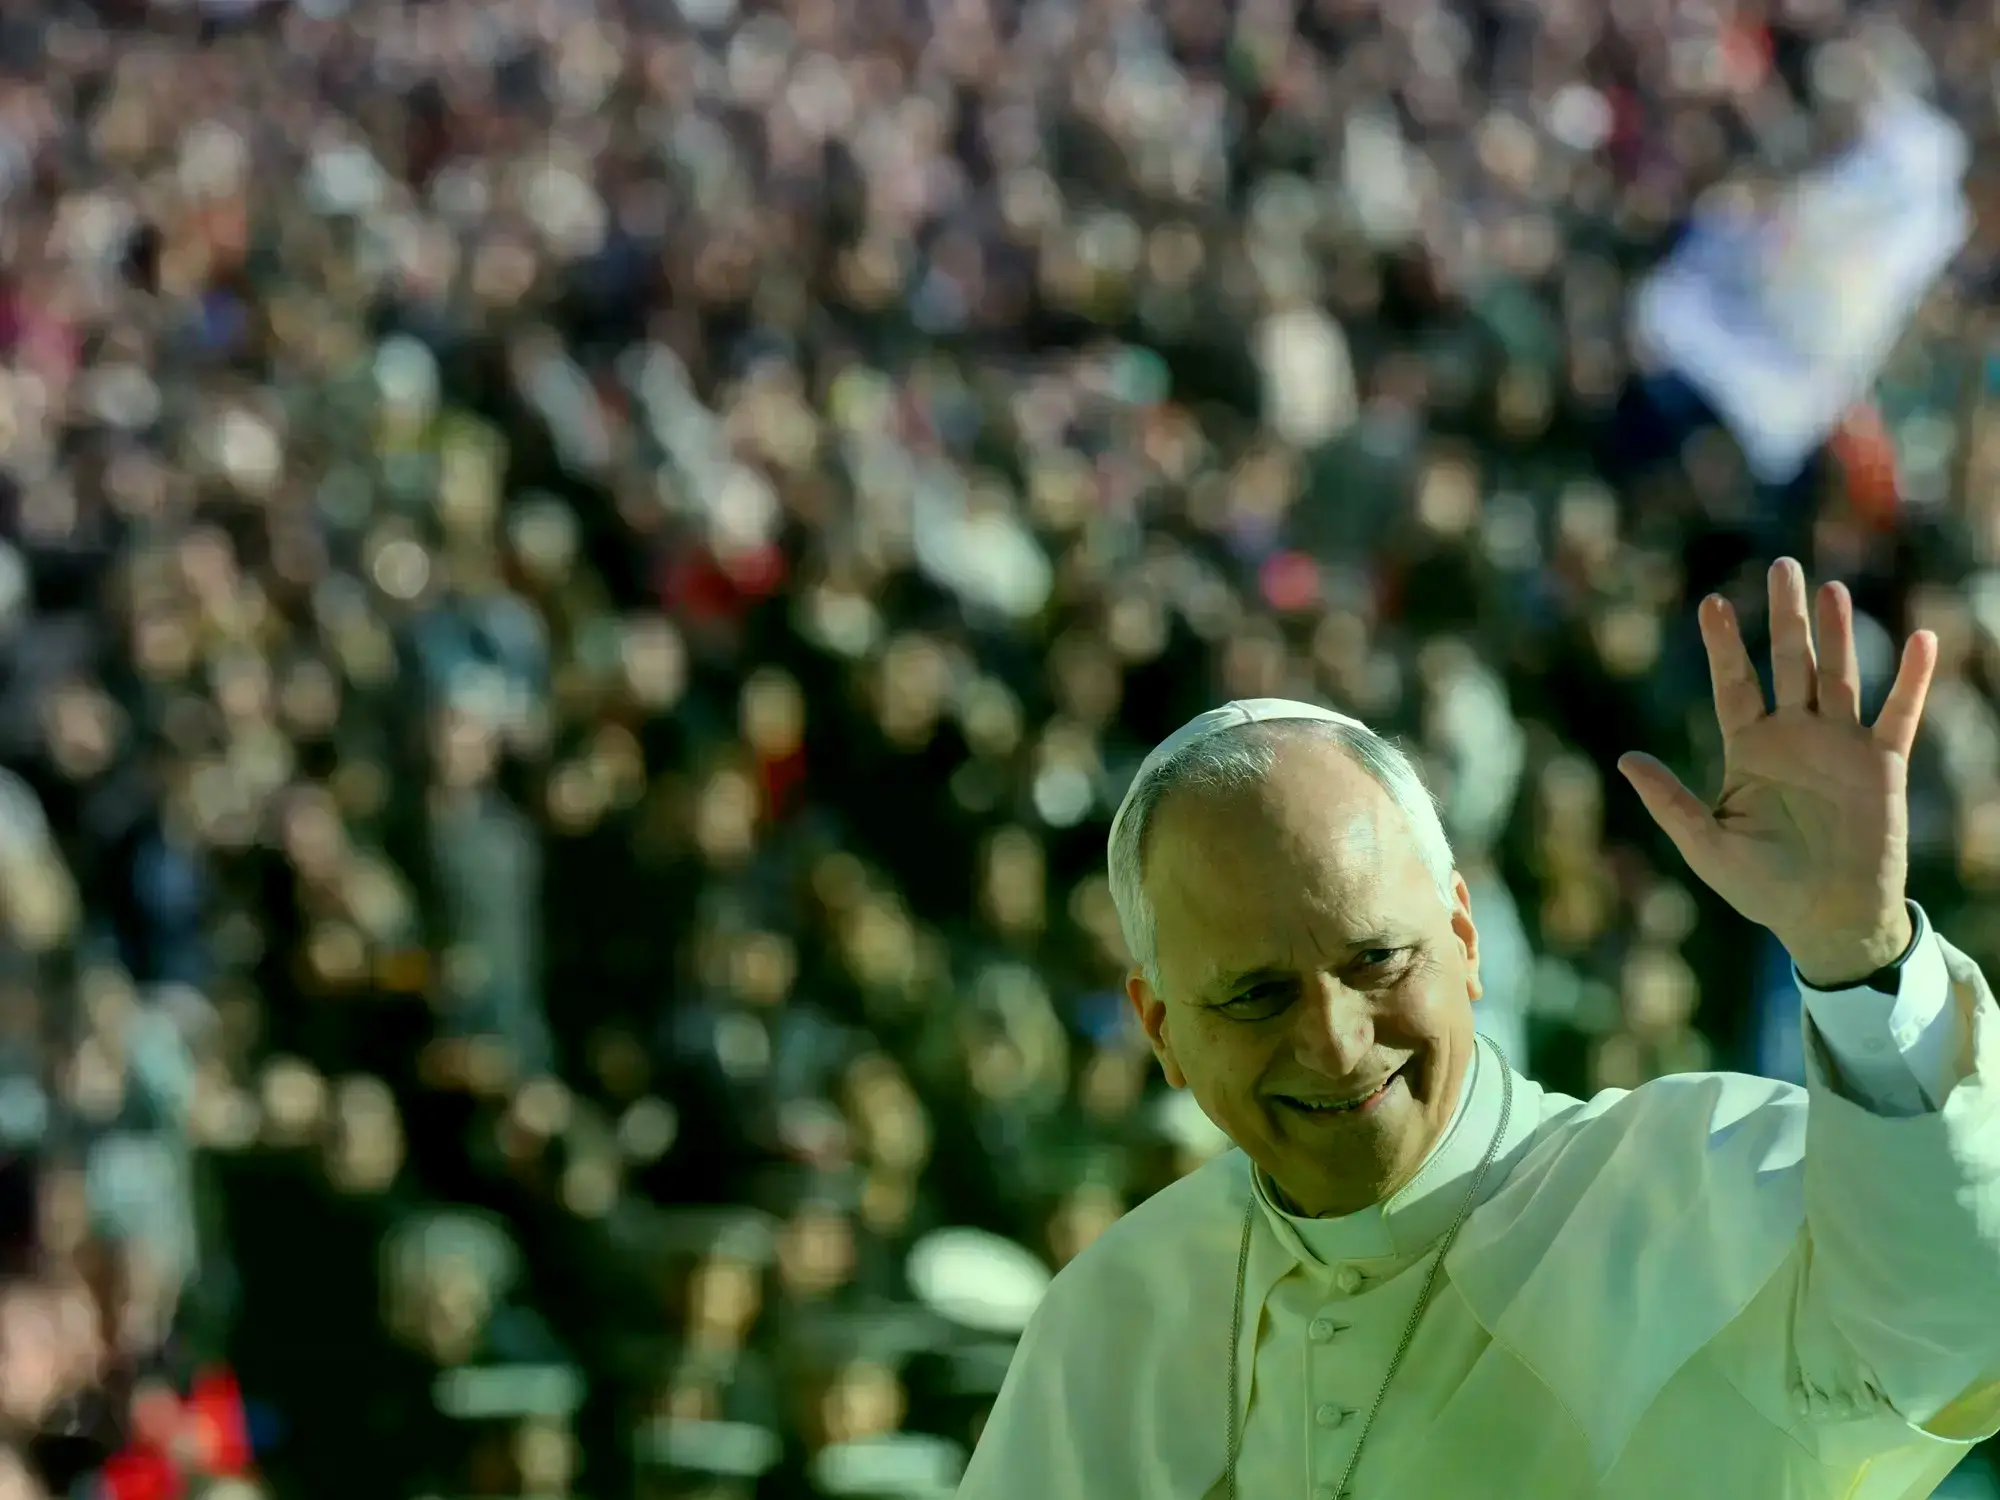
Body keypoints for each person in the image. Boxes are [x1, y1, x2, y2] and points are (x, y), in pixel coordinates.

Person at [956, 559, 2000, 1500]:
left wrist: (1860, 964)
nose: (1332, 1040)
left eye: (1375, 961)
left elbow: (1955, 1315)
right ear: (1160, 1030)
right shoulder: (1111, 1321)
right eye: (1254, 996)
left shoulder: (1692, 1185)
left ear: (1463, 936)